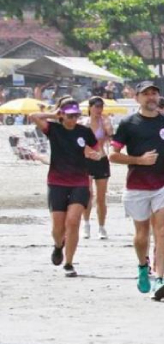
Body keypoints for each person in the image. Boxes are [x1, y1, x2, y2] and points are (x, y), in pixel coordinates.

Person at [109, 81, 164, 301]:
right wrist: (138, 160)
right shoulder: (128, 124)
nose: (151, 97)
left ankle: (160, 279)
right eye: (146, 94)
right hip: (137, 185)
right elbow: (112, 154)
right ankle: (143, 266)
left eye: (154, 94)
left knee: (162, 230)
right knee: (142, 235)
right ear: (137, 98)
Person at [30, 98, 102, 278]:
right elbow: (33, 116)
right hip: (57, 182)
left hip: (79, 182)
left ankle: (69, 263)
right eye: (69, 116)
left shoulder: (84, 132)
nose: (73, 119)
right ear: (62, 115)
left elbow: (98, 150)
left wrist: (95, 155)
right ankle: (58, 246)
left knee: (73, 221)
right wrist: (53, 115)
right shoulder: (54, 129)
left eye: (76, 115)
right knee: (58, 227)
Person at [83, 97, 113, 241]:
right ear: (90, 107)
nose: (99, 110)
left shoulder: (104, 121)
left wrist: (108, 123)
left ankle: (102, 226)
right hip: (87, 160)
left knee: (101, 197)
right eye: (96, 106)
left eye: (101, 107)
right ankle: (86, 224)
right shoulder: (83, 123)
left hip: (101, 159)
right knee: (88, 194)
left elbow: (111, 136)